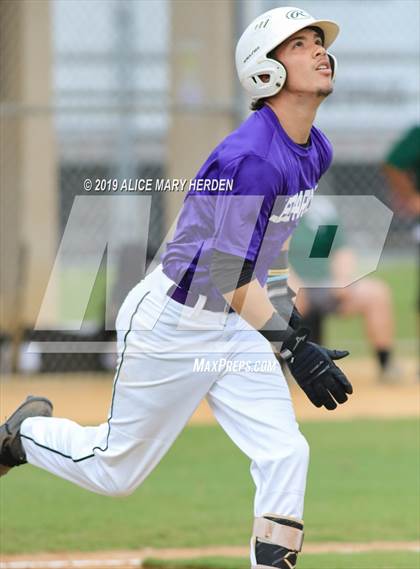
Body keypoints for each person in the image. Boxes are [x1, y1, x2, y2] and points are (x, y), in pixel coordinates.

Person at [0, 7, 353, 568]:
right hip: (175, 324)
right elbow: (225, 272)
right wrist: (292, 343)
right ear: (266, 70)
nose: (319, 50)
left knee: (286, 452)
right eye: (300, 44)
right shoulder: (254, 158)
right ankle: (23, 436)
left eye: (319, 41)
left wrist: (285, 316)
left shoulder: (315, 149)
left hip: (233, 325)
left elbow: (275, 242)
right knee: (116, 471)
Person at [287, 196, 399, 382]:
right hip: (288, 280)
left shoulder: (320, 209)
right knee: (287, 299)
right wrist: (293, 283)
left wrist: (342, 279)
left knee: (377, 293)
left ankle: (386, 364)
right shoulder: (272, 204)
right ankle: (283, 368)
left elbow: (339, 249)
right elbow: (268, 254)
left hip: (324, 282)